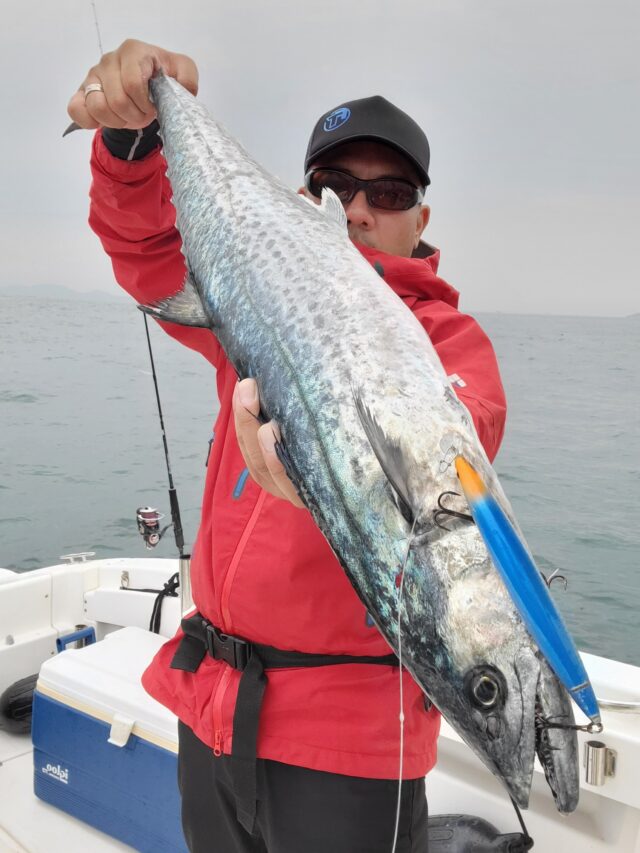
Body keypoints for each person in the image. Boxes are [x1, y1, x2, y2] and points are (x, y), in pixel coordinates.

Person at [68, 39, 507, 853]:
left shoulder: (448, 342)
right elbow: (150, 256)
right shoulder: (247, 306)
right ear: (308, 201)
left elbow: (461, 435)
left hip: (346, 751)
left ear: (421, 218)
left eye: (390, 191)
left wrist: (345, 462)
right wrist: (131, 142)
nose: (360, 209)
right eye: (337, 186)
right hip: (210, 705)